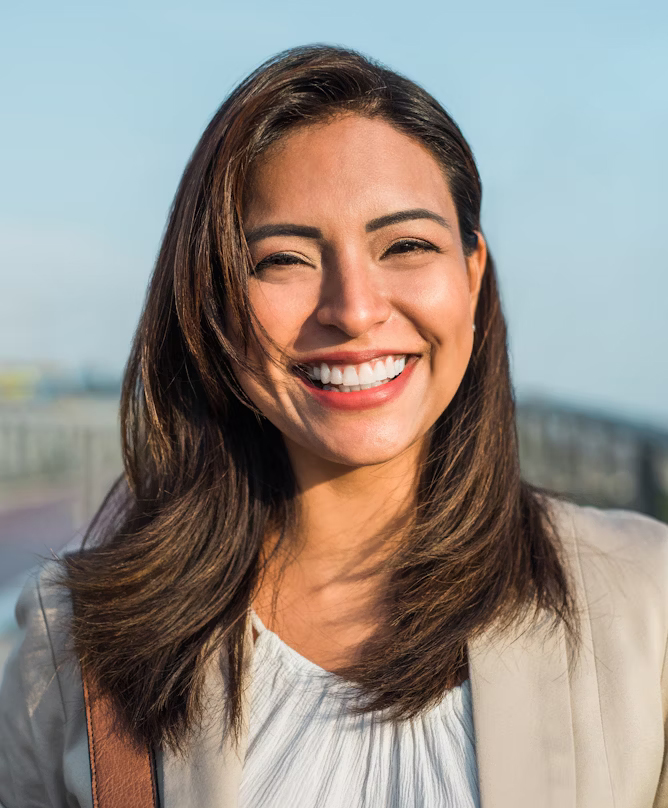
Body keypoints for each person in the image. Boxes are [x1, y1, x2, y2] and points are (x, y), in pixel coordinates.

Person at [0, 44, 667, 808]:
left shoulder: (647, 604)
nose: (353, 309)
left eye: (407, 246)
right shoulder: (79, 642)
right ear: (213, 305)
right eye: (284, 259)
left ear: (474, 276)